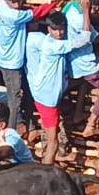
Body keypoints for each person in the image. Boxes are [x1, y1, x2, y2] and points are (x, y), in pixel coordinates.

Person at [26, 11, 92, 165]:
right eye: (55, 29)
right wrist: (85, 10)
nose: (59, 33)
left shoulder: (43, 41)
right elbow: (85, 39)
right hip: (48, 100)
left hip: (44, 93)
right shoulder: (53, 46)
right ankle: (47, 170)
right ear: (48, 29)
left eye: (62, 29)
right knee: (53, 140)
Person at [62, 0, 99, 139]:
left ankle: (84, 117)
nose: (95, 12)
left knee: (88, 86)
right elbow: (91, 37)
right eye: (93, 8)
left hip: (75, 61)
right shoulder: (79, 18)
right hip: (85, 63)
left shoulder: (71, 7)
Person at [0, 0, 36, 131]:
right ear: (7, 0)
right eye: (14, 1)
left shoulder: (2, 1)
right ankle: (12, 129)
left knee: (19, 92)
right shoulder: (13, 15)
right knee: (15, 97)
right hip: (11, 62)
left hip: (6, 57)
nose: (18, 5)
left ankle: (27, 124)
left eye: (19, 0)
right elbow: (38, 12)